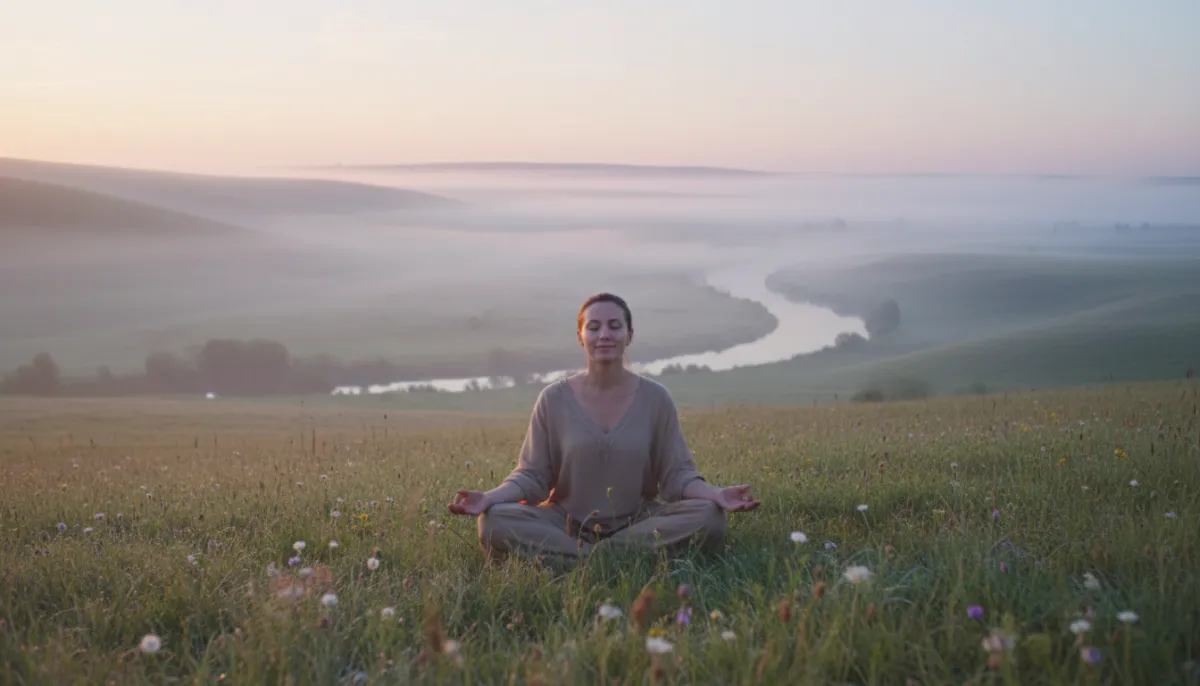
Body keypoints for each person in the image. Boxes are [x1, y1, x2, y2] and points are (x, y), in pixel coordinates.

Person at [448, 292, 760, 567]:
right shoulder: (553, 399)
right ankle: (613, 559)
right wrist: (489, 498)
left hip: (638, 523)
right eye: (594, 327)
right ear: (580, 336)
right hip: (564, 524)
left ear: (629, 334)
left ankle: (582, 560)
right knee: (495, 522)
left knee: (709, 517)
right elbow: (532, 477)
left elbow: (677, 475)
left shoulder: (656, 399)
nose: (604, 335)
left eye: (614, 325)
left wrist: (717, 494)